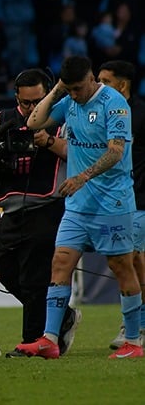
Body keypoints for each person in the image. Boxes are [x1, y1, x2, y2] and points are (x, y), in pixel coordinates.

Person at [19, 55, 143, 359]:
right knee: (60, 263)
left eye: (77, 88)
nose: (75, 94)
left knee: (121, 267)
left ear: (92, 80)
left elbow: (116, 152)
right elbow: (32, 122)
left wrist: (83, 176)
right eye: (69, 89)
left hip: (112, 202)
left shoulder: (114, 104)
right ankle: (49, 338)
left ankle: (134, 340)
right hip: (77, 206)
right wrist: (57, 90)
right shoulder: (70, 100)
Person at [0, 68, 80, 358]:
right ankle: (61, 313)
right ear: (17, 97)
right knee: (7, 273)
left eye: (37, 101)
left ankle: (32, 341)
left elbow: (77, 153)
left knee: (35, 277)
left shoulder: (63, 116)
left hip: (48, 207)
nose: (31, 109)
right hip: (10, 210)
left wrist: (49, 142)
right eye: (26, 103)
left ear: (51, 94)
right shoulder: (3, 119)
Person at [97, 60, 145, 349]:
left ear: (122, 85)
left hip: (138, 198)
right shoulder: (100, 114)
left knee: (134, 261)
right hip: (110, 202)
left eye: (105, 81)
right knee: (121, 263)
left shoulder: (140, 114)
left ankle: (136, 328)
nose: (99, 87)